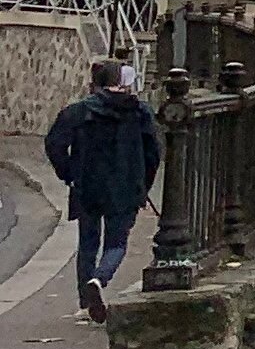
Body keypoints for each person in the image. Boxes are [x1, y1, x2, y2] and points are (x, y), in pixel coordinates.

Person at [45, 58, 165, 322]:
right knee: (117, 243)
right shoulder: (139, 112)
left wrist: (69, 174)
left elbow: (54, 143)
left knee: (87, 243)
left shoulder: (79, 111)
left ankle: (85, 301)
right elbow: (153, 152)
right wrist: (143, 184)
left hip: (87, 184)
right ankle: (100, 279)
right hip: (125, 185)